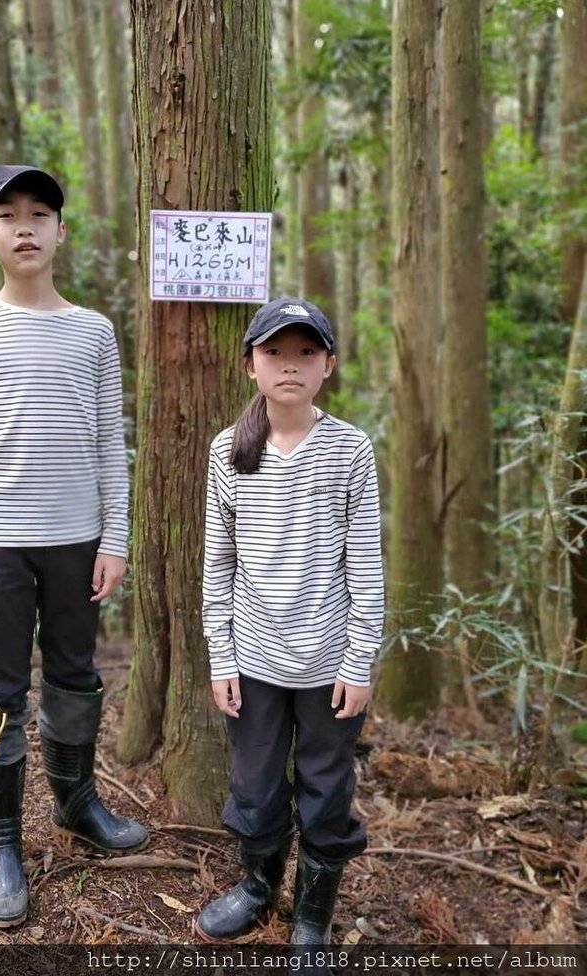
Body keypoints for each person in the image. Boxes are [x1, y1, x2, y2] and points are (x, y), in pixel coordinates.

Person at [0, 165, 148, 929]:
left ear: (62, 232)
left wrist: (115, 539)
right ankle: (2, 843)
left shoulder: (93, 331)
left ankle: (77, 804)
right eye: (8, 213)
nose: (26, 226)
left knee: (74, 678)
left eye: (40, 213)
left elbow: (109, 445)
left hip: (77, 543)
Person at [196, 299, 384, 947]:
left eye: (307, 352)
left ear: (328, 365)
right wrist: (220, 655)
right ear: (250, 364)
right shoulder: (229, 451)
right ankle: (257, 887)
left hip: (329, 663)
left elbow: (365, 564)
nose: (290, 365)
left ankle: (311, 916)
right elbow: (217, 563)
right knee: (253, 784)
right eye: (275, 352)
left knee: (327, 790)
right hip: (252, 662)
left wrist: (359, 660)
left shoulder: (349, 449)